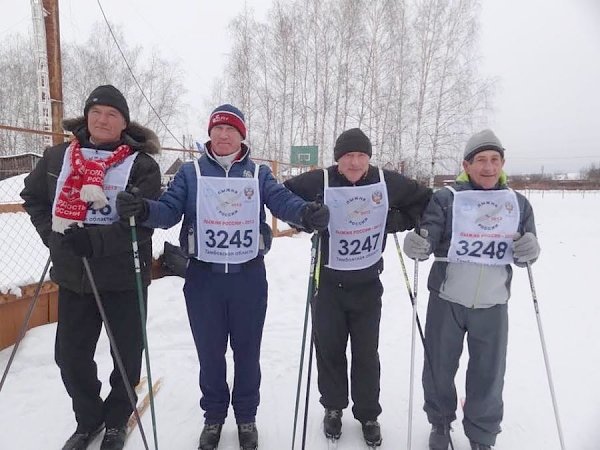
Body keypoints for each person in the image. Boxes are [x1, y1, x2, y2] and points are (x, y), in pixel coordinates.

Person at [115, 104, 329, 450]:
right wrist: (142, 209)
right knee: (210, 353)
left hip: (247, 277)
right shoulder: (191, 172)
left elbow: (282, 202)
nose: (224, 135)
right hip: (204, 278)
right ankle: (213, 417)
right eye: (218, 128)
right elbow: (167, 211)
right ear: (210, 134)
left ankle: (246, 417)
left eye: (231, 129)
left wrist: (306, 214)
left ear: (242, 135)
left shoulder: (257, 174)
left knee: (247, 352)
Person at [20, 85, 162, 450]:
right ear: (86, 116)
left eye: (112, 114)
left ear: (124, 122)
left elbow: (144, 222)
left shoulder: (141, 164)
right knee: (69, 355)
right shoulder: (57, 158)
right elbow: (32, 197)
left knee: (126, 355)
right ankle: (89, 418)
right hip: (74, 276)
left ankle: (116, 421)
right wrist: (54, 237)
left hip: (123, 277)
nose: (103, 119)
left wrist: (95, 242)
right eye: (96, 112)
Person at [283, 128, 432, 447]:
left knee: (366, 353)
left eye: (360, 155)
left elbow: (423, 199)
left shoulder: (384, 181)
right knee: (330, 350)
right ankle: (333, 407)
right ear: (338, 159)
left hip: (367, 285)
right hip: (327, 286)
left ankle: (368, 414)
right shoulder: (321, 180)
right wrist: (306, 216)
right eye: (347, 156)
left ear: (368, 158)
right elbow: (283, 197)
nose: (354, 162)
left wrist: (400, 221)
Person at [403, 129, 541, 450]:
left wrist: (530, 249)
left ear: (503, 163)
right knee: (439, 366)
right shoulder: (447, 199)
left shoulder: (516, 204)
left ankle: (481, 434)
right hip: (448, 299)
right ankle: (440, 423)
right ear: (467, 164)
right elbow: (429, 236)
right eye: (481, 160)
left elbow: (525, 252)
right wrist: (418, 243)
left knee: (488, 374)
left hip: (493, 304)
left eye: (495, 160)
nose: (488, 167)